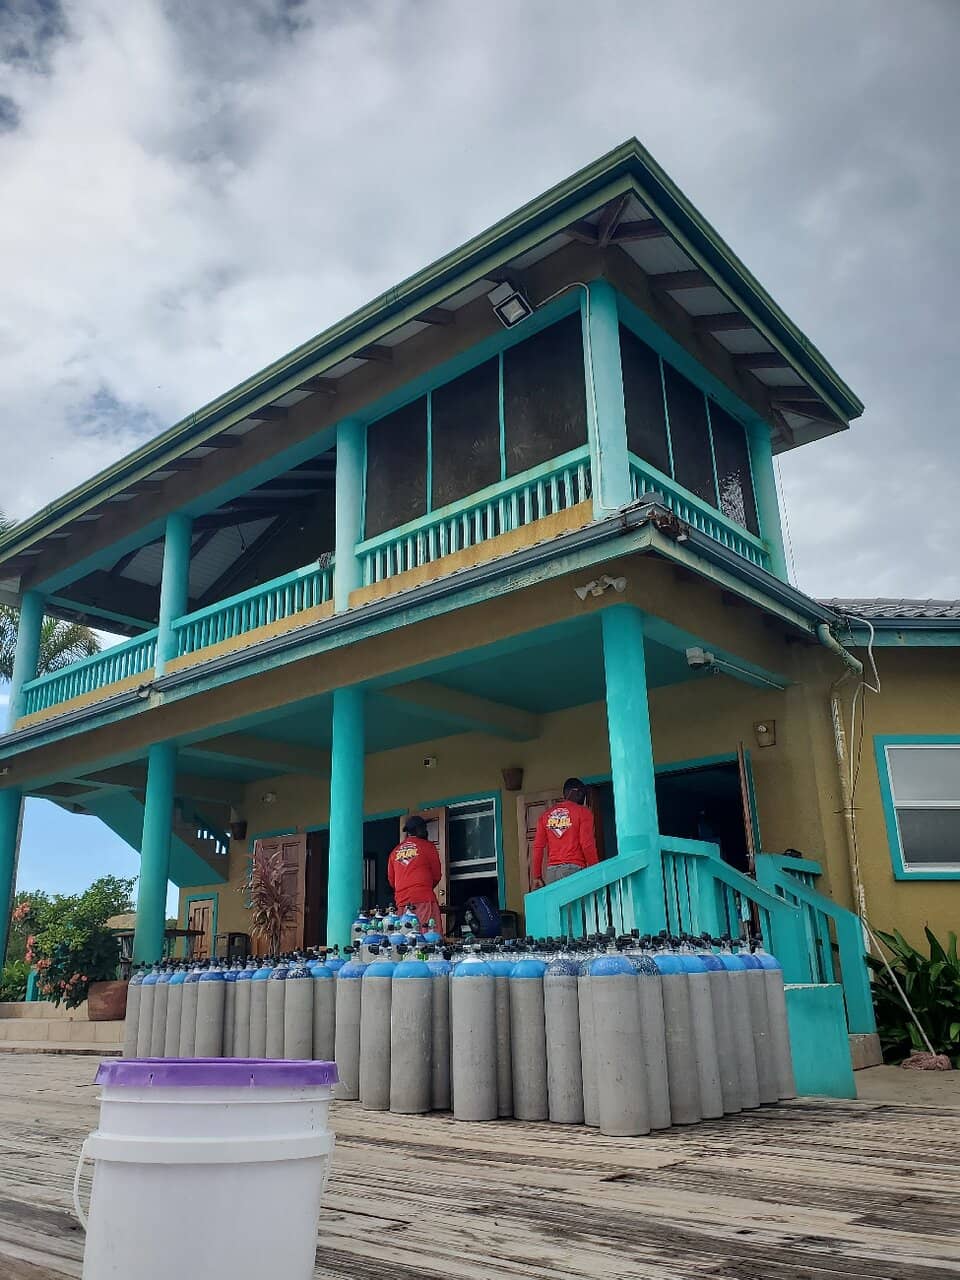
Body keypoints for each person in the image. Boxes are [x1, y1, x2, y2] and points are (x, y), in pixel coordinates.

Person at [532, 778, 599, 888]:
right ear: (576, 792)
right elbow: (587, 844)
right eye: (584, 794)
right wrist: (596, 869)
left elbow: (538, 847)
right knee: (576, 905)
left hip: (551, 873)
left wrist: (537, 876)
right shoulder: (583, 812)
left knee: (556, 905)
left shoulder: (546, 816)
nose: (584, 798)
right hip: (573, 870)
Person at [387, 815, 443, 932]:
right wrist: (422, 887)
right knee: (428, 940)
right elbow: (436, 875)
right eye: (424, 828)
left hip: (402, 903)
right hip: (423, 901)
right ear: (419, 830)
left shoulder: (395, 852)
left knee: (406, 941)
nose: (426, 831)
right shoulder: (428, 846)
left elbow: (392, 881)